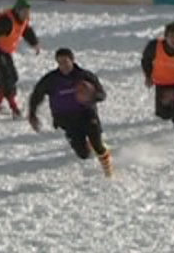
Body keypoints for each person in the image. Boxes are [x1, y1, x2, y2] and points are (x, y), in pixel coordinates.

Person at [27, 48, 114, 178]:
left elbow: (102, 94)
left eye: (66, 62)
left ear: (72, 60)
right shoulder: (51, 79)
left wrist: (91, 96)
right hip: (66, 119)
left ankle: (109, 173)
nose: (63, 66)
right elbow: (37, 95)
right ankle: (87, 145)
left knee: (98, 145)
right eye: (60, 63)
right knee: (83, 154)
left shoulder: (85, 76)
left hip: (86, 113)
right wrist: (32, 114)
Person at [0, 0, 41, 118]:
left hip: (5, 50)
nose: (26, 14)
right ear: (17, 10)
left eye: (28, 11)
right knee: (6, 79)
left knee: (13, 77)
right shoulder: (5, 22)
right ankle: (15, 109)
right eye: (24, 12)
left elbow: (26, 30)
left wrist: (34, 43)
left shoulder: (22, 19)